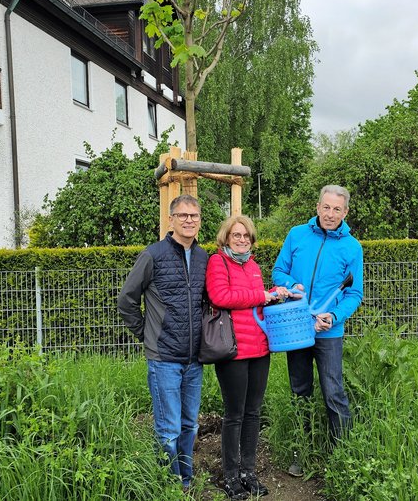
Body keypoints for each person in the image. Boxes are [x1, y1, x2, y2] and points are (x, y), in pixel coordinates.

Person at [117, 194, 208, 491]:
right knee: (168, 430)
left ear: (199, 220)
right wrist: (145, 333)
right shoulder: (152, 255)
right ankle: (168, 486)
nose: (189, 220)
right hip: (164, 358)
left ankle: (186, 480)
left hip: (195, 357)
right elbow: (126, 300)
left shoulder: (204, 257)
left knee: (189, 425)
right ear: (171, 219)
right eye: (183, 215)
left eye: (194, 216)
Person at [272, 184, 363, 475]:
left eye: (337, 209)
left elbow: (354, 293)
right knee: (300, 392)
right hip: (296, 328)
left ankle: (343, 456)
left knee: (333, 392)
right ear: (318, 207)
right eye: (326, 207)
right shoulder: (296, 235)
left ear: (345, 212)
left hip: (328, 332)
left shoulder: (352, 247)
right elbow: (278, 271)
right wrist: (290, 286)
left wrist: (333, 316)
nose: (330, 214)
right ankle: (302, 452)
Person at [206, 215, 294, 500]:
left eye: (246, 236)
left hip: (259, 348)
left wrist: (275, 295)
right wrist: (261, 295)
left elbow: (257, 302)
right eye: (236, 235)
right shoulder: (218, 262)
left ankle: (249, 472)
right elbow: (221, 296)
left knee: (253, 413)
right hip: (232, 351)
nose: (242, 240)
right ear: (226, 238)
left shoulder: (253, 266)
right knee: (234, 415)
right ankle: (230, 477)